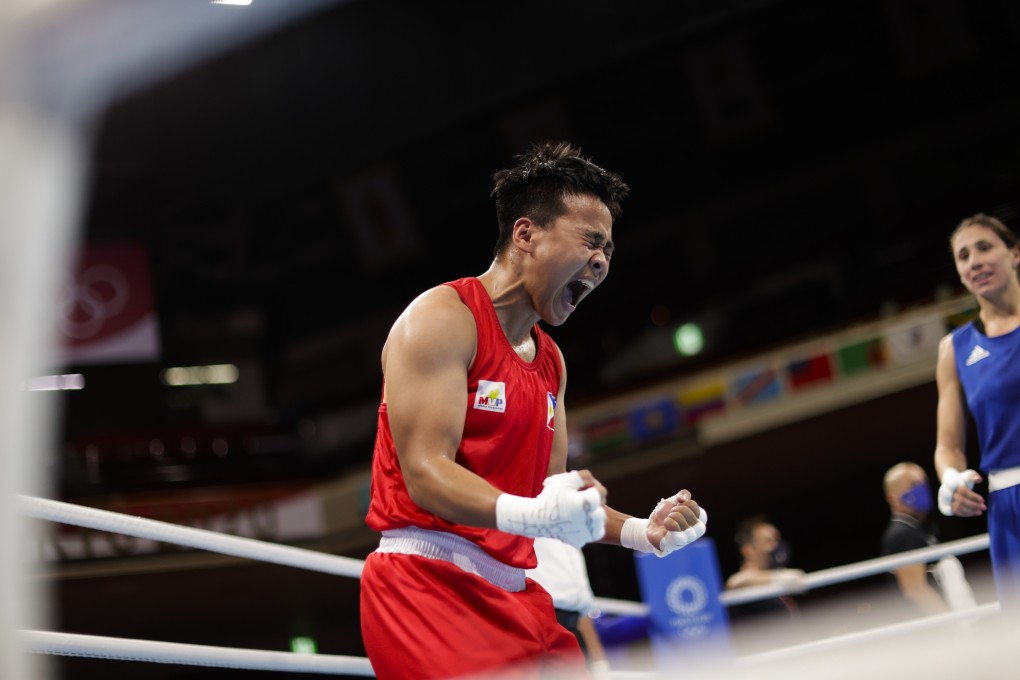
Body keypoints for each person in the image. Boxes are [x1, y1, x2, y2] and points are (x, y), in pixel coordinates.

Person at [359, 141, 709, 680]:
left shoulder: (551, 362)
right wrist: (536, 513)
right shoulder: (442, 318)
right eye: (590, 241)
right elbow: (426, 475)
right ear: (525, 235)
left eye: (609, 250)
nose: (601, 260)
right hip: (428, 587)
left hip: (517, 592)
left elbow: (551, 498)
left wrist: (645, 531)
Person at [934, 212, 1020, 620]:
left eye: (985, 247)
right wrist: (951, 480)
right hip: (1008, 506)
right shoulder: (954, 349)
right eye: (963, 256)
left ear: (1015, 253)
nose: (974, 262)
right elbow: (948, 446)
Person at [526, 537, 611, 680]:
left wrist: (598, 662)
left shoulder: (571, 532)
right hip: (535, 624)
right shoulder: (521, 521)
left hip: (573, 630)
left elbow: (581, 604)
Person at [880, 462, 953, 616]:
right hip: (933, 631)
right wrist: (956, 624)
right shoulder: (900, 534)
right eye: (914, 485)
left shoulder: (921, 529)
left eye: (923, 482)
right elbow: (916, 590)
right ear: (893, 498)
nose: (922, 489)